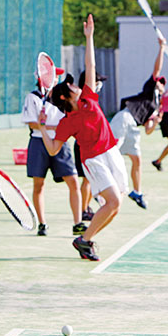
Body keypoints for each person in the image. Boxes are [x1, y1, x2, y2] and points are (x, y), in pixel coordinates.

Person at [39, 14, 128, 262]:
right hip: (95, 160)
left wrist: (89, 37)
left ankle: (85, 239)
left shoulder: (89, 98)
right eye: (71, 86)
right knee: (112, 203)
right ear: (66, 97)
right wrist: (43, 128)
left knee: (116, 205)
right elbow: (55, 149)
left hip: (111, 152)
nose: (76, 85)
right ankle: (85, 241)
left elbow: (90, 66)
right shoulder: (67, 123)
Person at [21, 67, 86, 237]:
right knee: (38, 184)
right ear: (41, 77)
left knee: (73, 181)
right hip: (38, 142)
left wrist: (50, 126)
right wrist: (43, 125)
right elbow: (31, 124)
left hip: (60, 142)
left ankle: (78, 223)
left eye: (57, 76)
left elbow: (71, 119)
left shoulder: (62, 97)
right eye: (52, 75)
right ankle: (42, 224)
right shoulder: (33, 97)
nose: (55, 78)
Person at [108, 37, 168, 210]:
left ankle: (137, 192)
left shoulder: (156, 105)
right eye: (159, 81)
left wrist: (156, 121)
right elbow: (157, 69)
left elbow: (148, 130)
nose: (160, 83)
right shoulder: (150, 89)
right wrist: (162, 47)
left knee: (137, 160)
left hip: (134, 127)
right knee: (110, 155)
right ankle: (101, 190)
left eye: (163, 83)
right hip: (124, 119)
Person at [73, 69, 108, 222]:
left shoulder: (88, 98)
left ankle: (85, 207)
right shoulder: (83, 98)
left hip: (90, 143)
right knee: (87, 179)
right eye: (96, 81)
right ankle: (82, 210)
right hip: (83, 143)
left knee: (88, 179)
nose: (99, 85)